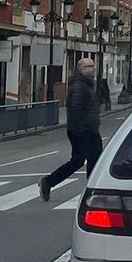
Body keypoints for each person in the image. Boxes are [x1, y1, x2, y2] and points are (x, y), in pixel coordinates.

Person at [39, 58, 102, 201]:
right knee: (84, 161)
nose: (93, 69)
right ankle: (49, 182)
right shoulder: (80, 85)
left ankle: (91, 191)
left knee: (92, 161)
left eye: (93, 66)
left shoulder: (86, 85)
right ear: (81, 69)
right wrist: (82, 129)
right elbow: (75, 108)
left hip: (88, 130)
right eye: (89, 66)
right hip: (83, 131)